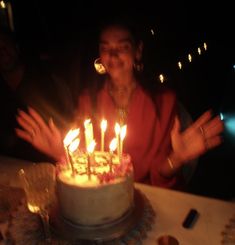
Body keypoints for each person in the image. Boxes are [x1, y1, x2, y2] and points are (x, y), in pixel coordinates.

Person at [15, 15, 224, 189]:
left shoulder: (164, 101)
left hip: (149, 197)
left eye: (122, 47)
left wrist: (177, 159)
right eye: (105, 48)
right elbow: (88, 164)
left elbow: (160, 174)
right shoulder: (88, 100)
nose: (112, 55)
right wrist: (63, 152)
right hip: (102, 198)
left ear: (138, 50)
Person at [0, 28, 75, 162]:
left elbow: (64, 120)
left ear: (16, 48)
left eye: (6, 45)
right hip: (9, 164)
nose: (3, 51)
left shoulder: (43, 80)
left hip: (49, 161)